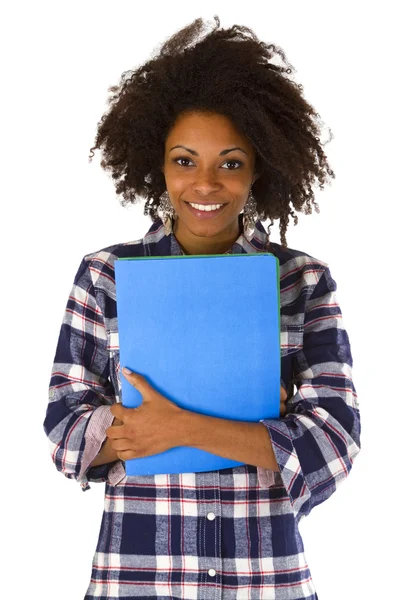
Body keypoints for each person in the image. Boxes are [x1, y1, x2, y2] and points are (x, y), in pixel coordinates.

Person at [43, 16, 361, 599]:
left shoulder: (303, 281)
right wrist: (262, 422)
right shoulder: (105, 276)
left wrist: (170, 425)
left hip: (265, 582)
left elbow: (333, 448)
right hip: (138, 578)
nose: (206, 184)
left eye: (231, 163)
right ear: (158, 166)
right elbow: (65, 435)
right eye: (184, 161)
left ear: (259, 167)